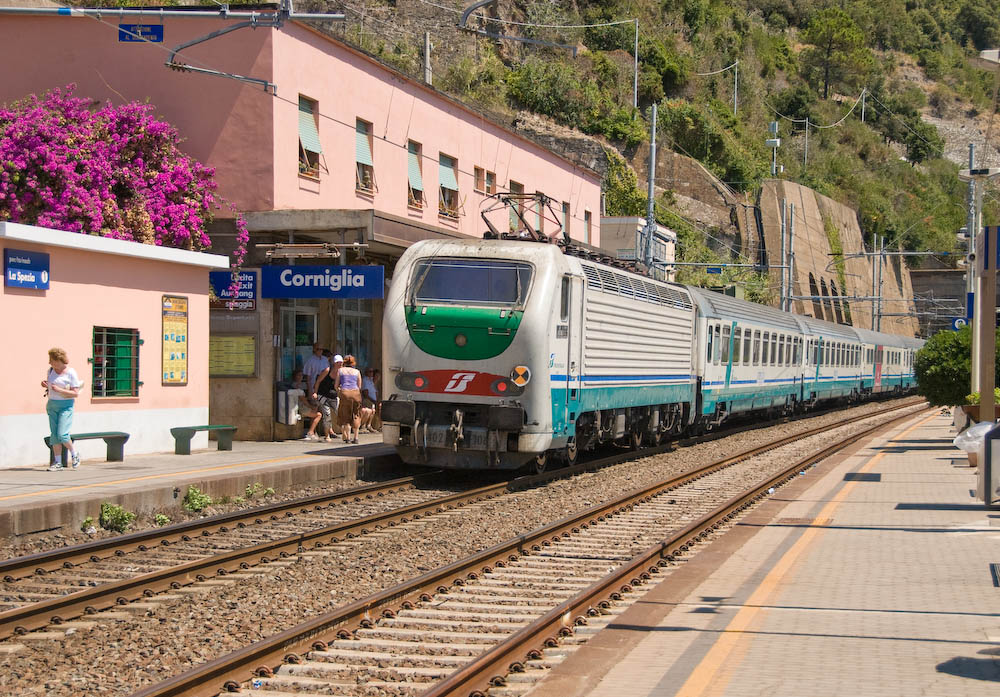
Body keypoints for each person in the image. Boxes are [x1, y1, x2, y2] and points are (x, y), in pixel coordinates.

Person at [42, 347, 84, 470]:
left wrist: (59, 390)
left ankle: (74, 454)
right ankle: (58, 462)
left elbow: (75, 393)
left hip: (66, 405)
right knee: (54, 435)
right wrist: (45, 384)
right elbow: (50, 385)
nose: (50, 363)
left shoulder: (71, 372)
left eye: (52, 360)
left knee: (62, 434)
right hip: (52, 404)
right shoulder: (50, 371)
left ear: (59, 360)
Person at [335, 354, 364, 444]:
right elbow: (359, 386)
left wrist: (339, 390)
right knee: (356, 414)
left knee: (345, 414)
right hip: (355, 393)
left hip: (345, 393)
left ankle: (347, 437)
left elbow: (336, 385)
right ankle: (356, 437)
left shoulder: (340, 371)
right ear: (353, 363)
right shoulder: (357, 372)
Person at [314, 352, 340, 442]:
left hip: (333, 396)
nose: (339, 364)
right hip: (323, 395)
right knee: (327, 415)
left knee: (340, 413)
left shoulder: (340, 373)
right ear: (334, 363)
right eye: (338, 363)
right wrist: (315, 392)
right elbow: (318, 381)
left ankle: (346, 435)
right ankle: (327, 435)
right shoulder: (327, 370)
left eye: (341, 363)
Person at [291, 370, 322, 441]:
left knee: (315, 410)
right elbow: (303, 400)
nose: (300, 377)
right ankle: (310, 432)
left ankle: (313, 431)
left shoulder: (301, 385)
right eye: (298, 375)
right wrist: (310, 406)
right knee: (319, 415)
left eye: (301, 375)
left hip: (301, 405)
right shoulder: (295, 386)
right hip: (301, 407)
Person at [361, 367, 379, 433]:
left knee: (373, 411)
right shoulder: (365, 380)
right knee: (368, 411)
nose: (372, 373)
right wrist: (372, 400)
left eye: (372, 372)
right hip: (368, 399)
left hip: (373, 400)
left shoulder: (371, 380)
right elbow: (365, 392)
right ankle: (363, 426)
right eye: (370, 371)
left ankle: (369, 425)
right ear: (366, 372)